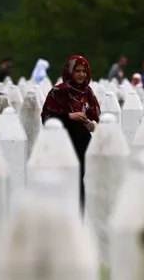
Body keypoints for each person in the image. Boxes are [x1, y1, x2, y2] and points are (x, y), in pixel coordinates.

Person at [41, 55, 101, 209]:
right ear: (69, 72)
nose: (82, 75)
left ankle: (79, 217)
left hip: (82, 142)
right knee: (66, 181)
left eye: (84, 71)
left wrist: (92, 124)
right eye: (78, 71)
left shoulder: (87, 92)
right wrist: (69, 116)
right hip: (64, 142)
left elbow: (95, 116)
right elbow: (47, 117)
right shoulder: (58, 92)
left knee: (80, 180)